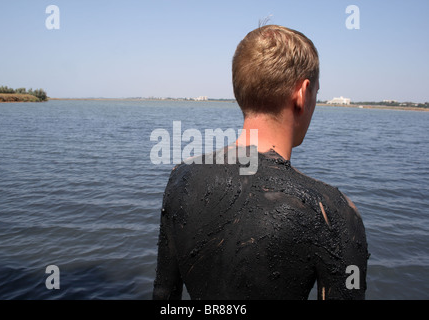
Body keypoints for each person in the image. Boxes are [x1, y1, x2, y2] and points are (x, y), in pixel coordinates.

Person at [152, 25, 369, 300]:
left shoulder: (180, 178)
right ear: (302, 94)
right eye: (317, 93)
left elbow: (163, 294)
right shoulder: (335, 213)